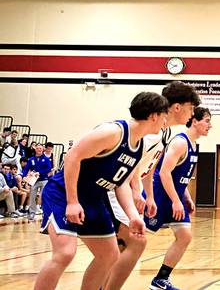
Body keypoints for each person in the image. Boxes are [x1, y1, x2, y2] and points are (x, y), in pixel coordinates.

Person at [34, 92, 169, 290]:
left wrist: (132, 216)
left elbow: (120, 183)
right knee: (65, 253)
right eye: (164, 116)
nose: (165, 122)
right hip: (63, 193)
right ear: (154, 116)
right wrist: (72, 201)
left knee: (109, 255)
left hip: (93, 198)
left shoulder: (139, 146)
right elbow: (72, 156)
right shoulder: (113, 132)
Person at [104, 81, 200, 290]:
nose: (192, 114)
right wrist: (137, 191)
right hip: (115, 188)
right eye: (190, 109)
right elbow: (130, 164)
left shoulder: (163, 132)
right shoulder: (152, 130)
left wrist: (149, 196)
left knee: (120, 247)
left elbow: (147, 166)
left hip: (126, 188)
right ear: (177, 107)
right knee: (131, 243)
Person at [146, 106, 211, 290]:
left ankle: (160, 280)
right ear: (195, 121)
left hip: (175, 195)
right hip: (159, 195)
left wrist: (186, 196)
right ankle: (106, 276)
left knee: (184, 236)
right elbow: (164, 173)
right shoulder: (180, 142)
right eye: (207, 120)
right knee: (133, 240)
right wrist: (176, 200)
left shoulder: (193, 144)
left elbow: (180, 177)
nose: (210, 125)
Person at [23, 142, 53, 220]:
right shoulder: (31, 159)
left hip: (44, 180)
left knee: (44, 195)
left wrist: (40, 173)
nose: (39, 149)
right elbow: (26, 168)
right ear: (35, 149)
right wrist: (23, 176)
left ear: (43, 150)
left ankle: (45, 212)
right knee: (32, 195)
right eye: (37, 148)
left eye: (40, 148)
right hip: (34, 180)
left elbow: (49, 168)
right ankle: (32, 212)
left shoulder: (46, 159)